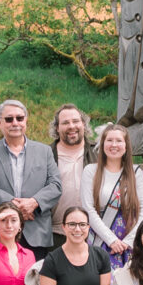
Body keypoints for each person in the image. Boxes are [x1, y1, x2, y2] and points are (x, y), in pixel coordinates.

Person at [0, 99, 63, 262]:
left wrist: (34, 202)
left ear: (26, 120)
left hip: (35, 230)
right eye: (9, 119)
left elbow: (55, 185)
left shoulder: (44, 151)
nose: (15, 123)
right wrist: (14, 207)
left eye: (19, 118)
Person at [81, 124, 143, 270]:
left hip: (127, 241)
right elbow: (88, 208)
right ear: (102, 144)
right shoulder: (90, 171)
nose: (114, 145)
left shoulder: (135, 173)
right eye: (109, 140)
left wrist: (127, 242)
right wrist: (111, 240)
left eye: (119, 141)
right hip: (98, 239)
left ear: (126, 146)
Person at [49, 104, 97, 251]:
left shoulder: (99, 154)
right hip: (55, 233)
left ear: (83, 124)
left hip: (93, 232)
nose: (71, 126)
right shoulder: (45, 155)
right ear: (57, 128)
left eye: (76, 121)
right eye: (65, 123)